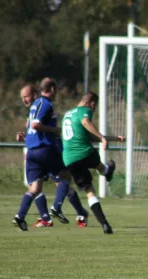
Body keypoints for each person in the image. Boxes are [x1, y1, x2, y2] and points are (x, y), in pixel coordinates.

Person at [16, 84, 89, 227]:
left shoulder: (42, 105)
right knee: (49, 183)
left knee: (60, 183)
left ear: (34, 94)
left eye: (26, 96)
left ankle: (77, 212)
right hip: (42, 150)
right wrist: (25, 137)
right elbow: (35, 129)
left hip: (51, 149)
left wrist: (55, 132)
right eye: (22, 97)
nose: (24, 100)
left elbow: (40, 127)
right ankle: (48, 216)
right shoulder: (35, 108)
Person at [61, 92, 124, 234]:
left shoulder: (68, 114)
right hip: (84, 152)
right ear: (92, 103)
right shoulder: (85, 111)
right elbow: (86, 122)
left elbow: (88, 136)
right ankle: (107, 171)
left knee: (90, 192)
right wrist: (102, 138)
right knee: (97, 163)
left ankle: (105, 225)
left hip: (69, 159)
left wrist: (114, 138)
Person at [13, 78, 71, 230]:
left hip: (31, 151)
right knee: (65, 176)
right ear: (52, 89)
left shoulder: (34, 106)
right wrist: (56, 131)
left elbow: (32, 128)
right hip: (44, 150)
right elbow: (35, 125)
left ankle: (20, 216)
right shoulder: (44, 103)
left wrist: (25, 137)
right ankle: (56, 208)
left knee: (35, 188)